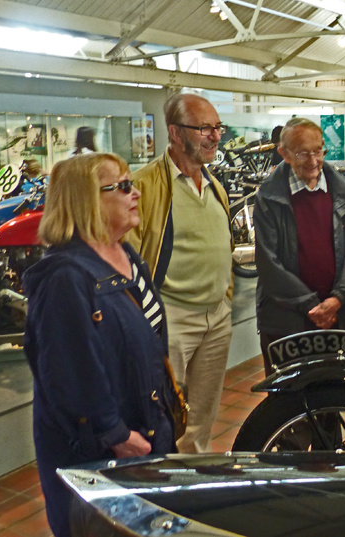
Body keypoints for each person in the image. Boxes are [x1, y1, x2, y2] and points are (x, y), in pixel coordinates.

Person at [23, 153, 175, 537]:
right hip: (101, 451)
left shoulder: (125, 254)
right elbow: (69, 373)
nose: (135, 193)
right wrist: (116, 435)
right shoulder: (64, 276)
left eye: (131, 183)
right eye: (122, 186)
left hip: (143, 431)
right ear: (86, 199)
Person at [126, 93, 233, 453]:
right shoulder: (144, 187)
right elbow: (128, 259)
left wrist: (225, 298)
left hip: (216, 316)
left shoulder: (215, 186)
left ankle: (194, 474)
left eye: (217, 127)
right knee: (164, 413)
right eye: (205, 128)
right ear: (175, 132)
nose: (215, 136)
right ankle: (166, 476)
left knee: (202, 416)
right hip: (172, 317)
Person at [255, 117, 345, 375]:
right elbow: (268, 262)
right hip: (285, 322)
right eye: (303, 153)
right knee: (288, 394)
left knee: (333, 389)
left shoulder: (342, 191)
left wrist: (338, 299)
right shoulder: (269, 197)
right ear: (284, 153)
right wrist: (312, 306)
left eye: (318, 151)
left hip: (336, 318)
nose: (313, 161)